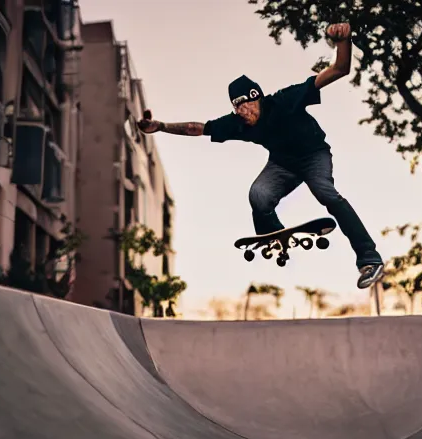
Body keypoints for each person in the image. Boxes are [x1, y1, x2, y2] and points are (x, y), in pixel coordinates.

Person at [137, 22, 384, 289]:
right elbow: (197, 128)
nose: (245, 114)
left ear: (258, 98)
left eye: (248, 107)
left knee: (325, 192)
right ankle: (272, 233)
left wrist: (343, 42)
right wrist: (161, 127)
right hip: (282, 164)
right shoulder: (237, 123)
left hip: (314, 156)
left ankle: (369, 258)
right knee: (258, 195)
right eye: (239, 110)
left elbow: (339, 70)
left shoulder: (286, 100)